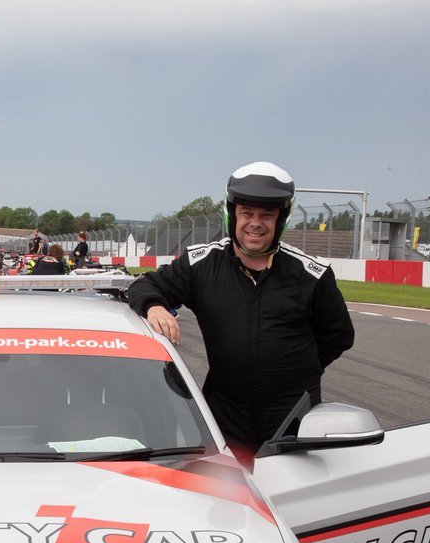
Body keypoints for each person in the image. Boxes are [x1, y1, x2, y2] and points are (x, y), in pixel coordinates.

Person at [125, 161, 355, 460]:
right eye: (247, 213)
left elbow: (339, 337)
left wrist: (297, 370)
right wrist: (154, 306)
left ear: (281, 219)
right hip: (225, 419)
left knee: (293, 503)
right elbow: (143, 285)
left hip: (292, 421)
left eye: (266, 215)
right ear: (232, 214)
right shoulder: (202, 264)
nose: (255, 223)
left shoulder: (312, 275)